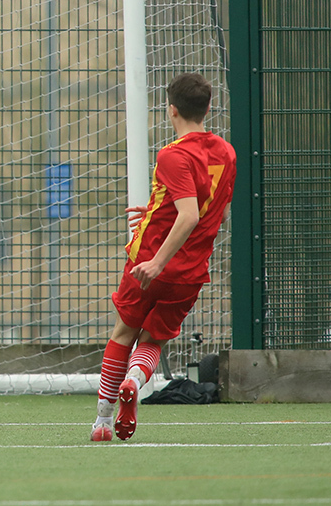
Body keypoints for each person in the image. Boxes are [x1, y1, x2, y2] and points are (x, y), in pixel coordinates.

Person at [90, 72, 235, 442]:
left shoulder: (173, 154)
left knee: (124, 332)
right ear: (207, 109)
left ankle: (103, 422)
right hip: (191, 271)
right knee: (153, 340)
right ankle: (135, 383)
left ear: (171, 110)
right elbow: (203, 203)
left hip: (151, 261)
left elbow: (189, 214)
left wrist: (156, 263)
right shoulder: (226, 152)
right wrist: (158, 207)